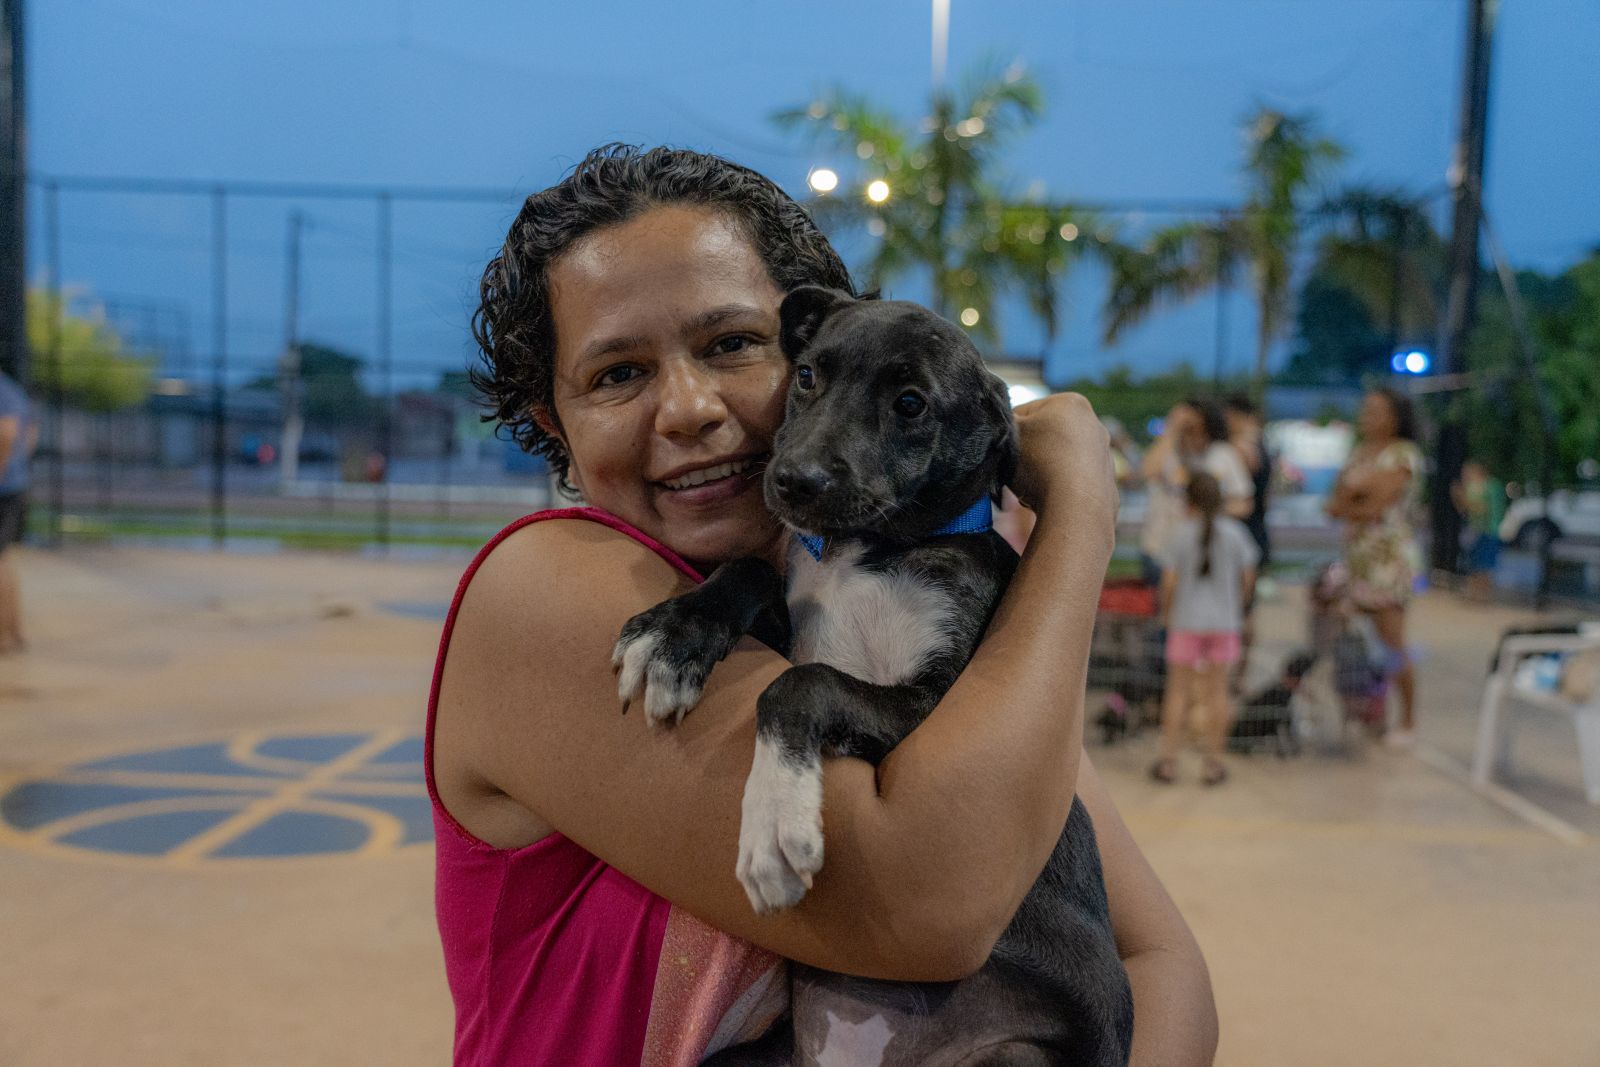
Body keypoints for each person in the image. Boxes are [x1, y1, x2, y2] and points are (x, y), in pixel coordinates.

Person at [429, 145, 1217, 1065]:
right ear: (552, 419)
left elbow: (1162, 961)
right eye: (617, 374)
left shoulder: (861, 590)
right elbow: (934, 908)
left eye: (731, 344)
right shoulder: (544, 593)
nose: (686, 408)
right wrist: (1079, 509)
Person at [1325, 387, 1423, 748]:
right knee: (1362, 643)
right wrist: (1355, 500)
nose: (1368, 417)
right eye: (1366, 410)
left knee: (1393, 641)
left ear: (1395, 416)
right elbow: (1338, 503)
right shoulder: (1359, 452)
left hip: (1389, 562)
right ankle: (1372, 711)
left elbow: (1376, 504)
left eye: (1377, 411)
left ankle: (1409, 718)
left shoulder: (1403, 454)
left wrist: (1355, 500)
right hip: (1359, 560)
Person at [1149, 473, 1259, 787]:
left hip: (1186, 622)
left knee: (1178, 692)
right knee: (1217, 694)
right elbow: (1248, 577)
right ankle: (1214, 763)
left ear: (1188, 500)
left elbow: (1169, 582)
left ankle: (1169, 761)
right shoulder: (1236, 533)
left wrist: (1167, 615)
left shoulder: (1179, 534)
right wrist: (1237, 606)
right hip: (1224, 624)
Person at [1138, 397, 1251, 588]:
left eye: (1199, 428)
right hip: (1160, 549)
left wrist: (1205, 510)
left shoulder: (1222, 455)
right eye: (1188, 429)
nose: (1194, 436)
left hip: (1205, 554)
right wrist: (1172, 429)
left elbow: (1243, 504)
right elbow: (1147, 471)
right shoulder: (1168, 452)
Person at [0, 370, 35, 654]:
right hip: (14, 485)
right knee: (4, 559)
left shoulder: (3, 390)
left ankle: (5, 635)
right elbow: (32, 431)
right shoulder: (12, 389)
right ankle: (13, 633)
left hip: (5, 490)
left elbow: (7, 432)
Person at [1453, 459, 1504, 602]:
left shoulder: (1489, 486)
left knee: (1483, 564)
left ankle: (1482, 596)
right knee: (1475, 563)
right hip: (1478, 529)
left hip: (1487, 530)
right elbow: (1465, 509)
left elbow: (1481, 508)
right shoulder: (1476, 487)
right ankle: (1474, 594)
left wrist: (1460, 496)